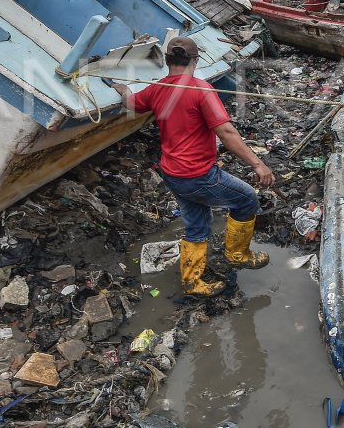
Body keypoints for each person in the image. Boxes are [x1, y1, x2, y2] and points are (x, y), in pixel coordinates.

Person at [114, 36, 275, 297]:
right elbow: (226, 132)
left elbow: (132, 103)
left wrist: (123, 90)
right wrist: (258, 164)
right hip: (198, 175)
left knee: (197, 226)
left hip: (172, 174)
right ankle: (237, 255)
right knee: (246, 199)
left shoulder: (155, 89)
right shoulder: (201, 89)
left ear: (167, 61)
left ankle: (192, 282)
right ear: (195, 60)